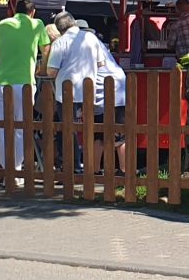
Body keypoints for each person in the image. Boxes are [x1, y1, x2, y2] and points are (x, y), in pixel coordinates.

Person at [46, 12, 128, 173]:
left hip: (77, 92)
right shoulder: (91, 39)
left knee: (80, 131)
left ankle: (85, 168)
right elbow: (100, 63)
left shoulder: (60, 42)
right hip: (93, 90)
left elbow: (51, 72)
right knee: (110, 132)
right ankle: (116, 171)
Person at [0, 0, 52, 166]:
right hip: (24, 81)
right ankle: (17, 168)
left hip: (1, 81)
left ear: (15, 11)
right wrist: (42, 68)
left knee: (2, 127)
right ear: (32, 12)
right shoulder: (37, 24)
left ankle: (6, 167)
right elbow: (46, 49)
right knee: (21, 126)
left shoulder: (2, 24)